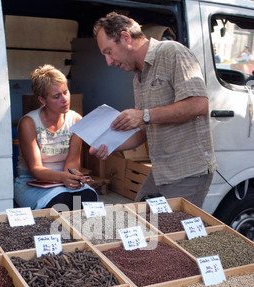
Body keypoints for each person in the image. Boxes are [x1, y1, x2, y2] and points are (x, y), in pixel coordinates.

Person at [90, 12, 218, 208]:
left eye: (109, 52)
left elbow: (199, 104)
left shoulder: (172, 52)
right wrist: (107, 145)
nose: (109, 62)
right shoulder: (138, 77)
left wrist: (144, 115)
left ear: (125, 37)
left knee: (170, 236)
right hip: (161, 172)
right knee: (140, 224)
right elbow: (142, 133)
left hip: (188, 172)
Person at [14, 64, 97, 211]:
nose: (64, 99)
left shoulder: (76, 120)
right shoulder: (29, 123)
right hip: (32, 182)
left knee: (88, 199)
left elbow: (72, 162)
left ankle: (79, 232)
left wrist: (71, 177)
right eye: (56, 96)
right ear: (42, 100)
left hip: (63, 180)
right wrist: (62, 178)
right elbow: (36, 169)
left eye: (65, 92)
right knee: (61, 203)